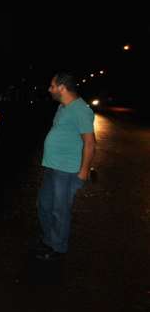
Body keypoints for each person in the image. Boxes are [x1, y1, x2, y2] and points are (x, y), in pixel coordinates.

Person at [36, 72, 96, 261]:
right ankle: (49, 239)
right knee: (44, 205)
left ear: (62, 87)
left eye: (52, 86)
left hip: (67, 170)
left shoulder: (81, 110)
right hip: (52, 167)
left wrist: (84, 171)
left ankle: (58, 246)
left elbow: (90, 143)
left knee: (60, 210)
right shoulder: (63, 107)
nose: (49, 89)